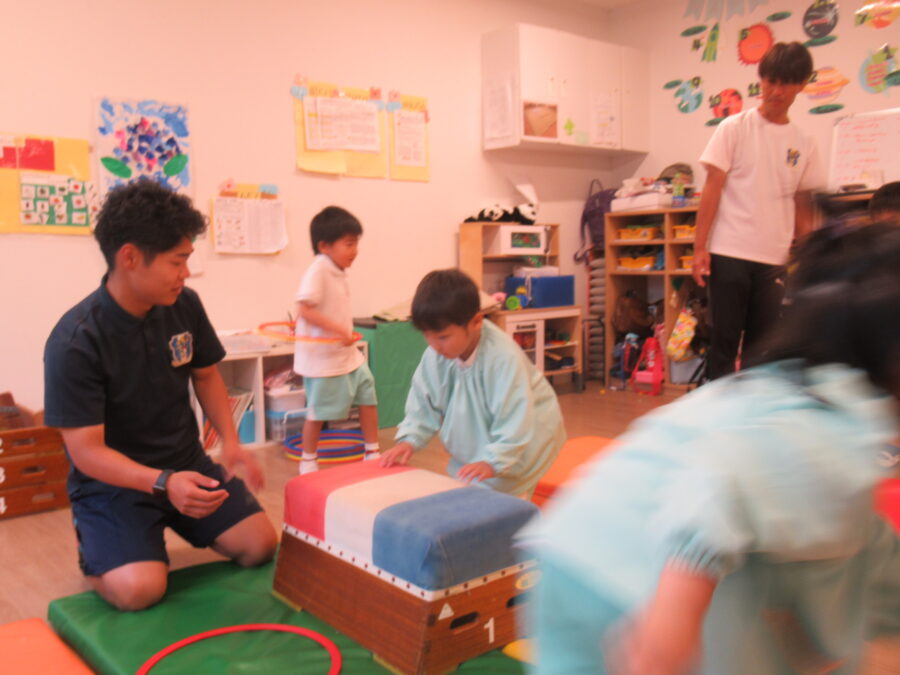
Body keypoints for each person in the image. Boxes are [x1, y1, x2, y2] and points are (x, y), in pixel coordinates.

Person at [521, 223, 900, 674]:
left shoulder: (781, 387)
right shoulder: (834, 420)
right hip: (625, 580)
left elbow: (866, 553)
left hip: (580, 541)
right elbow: (720, 480)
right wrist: (666, 635)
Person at [43, 180, 277, 611]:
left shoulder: (184, 304)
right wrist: (163, 483)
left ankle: (147, 538)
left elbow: (206, 375)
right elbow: (86, 452)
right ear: (130, 257)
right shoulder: (76, 340)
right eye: (177, 261)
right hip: (113, 486)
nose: (186, 272)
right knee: (141, 590)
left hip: (187, 466)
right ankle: (95, 550)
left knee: (260, 545)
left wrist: (231, 441)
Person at [692, 42, 825, 380]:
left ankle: (750, 410)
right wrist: (699, 247)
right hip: (729, 251)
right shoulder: (734, 128)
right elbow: (712, 189)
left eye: (785, 83)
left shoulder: (805, 142)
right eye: (770, 81)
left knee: (761, 348)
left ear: (801, 85)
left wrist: (809, 258)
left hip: (773, 258)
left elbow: (802, 205)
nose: (776, 91)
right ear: (761, 80)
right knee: (723, 343)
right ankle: (718, 409)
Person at [380, 269, 566, 497]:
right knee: (466, 485)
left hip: (527, 436)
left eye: (443, 337)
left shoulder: (502, 358)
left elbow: (515, 419)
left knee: (502, 493)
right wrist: (409, 439)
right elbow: (423, 401)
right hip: (481, 437)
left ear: (476, 321)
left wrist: (493, 462)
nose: (434, 345)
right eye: (427, 335)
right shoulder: (437, 354)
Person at [293, 206, 379, 474]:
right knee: (318, 412)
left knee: (368, 394)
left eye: (356, 243)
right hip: (323, 360)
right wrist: (339, 331)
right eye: (349, 244)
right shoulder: (319, 269)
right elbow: (304, 309)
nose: (355, 250)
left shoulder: (337, 268)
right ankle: (308, 459)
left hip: (347, 355)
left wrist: (343, 334)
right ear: (325, 246)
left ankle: (372, 451)